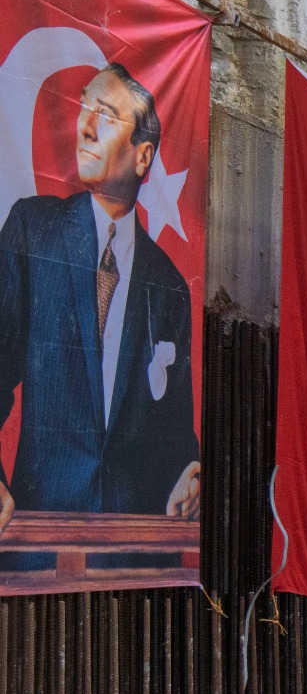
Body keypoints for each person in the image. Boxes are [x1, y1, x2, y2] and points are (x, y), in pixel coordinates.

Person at [0, 62, 200, 532]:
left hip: (135, 543)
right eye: (83, 107)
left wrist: (189, 478)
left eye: (105, 115)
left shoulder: (168, 284)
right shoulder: (33, 232)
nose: (84, 126)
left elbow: (173, 431)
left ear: (143, 157)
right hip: (38, 533)